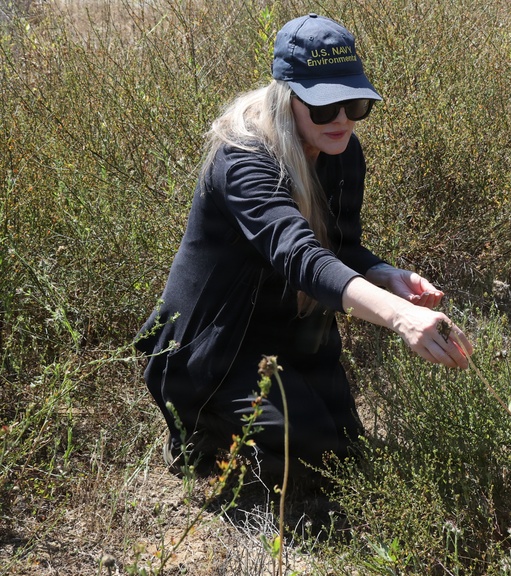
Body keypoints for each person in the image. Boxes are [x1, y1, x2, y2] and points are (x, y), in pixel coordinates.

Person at [135, 13, 472, 489]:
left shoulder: (340, 151)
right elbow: (300, 256)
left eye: (355, 104)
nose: (341, 120)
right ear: (286, 97)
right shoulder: (244, 159)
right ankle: (200, 430)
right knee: (313, 456)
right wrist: (400, 317)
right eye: (322, 107)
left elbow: (338, 246)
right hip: (212, 349)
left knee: (345, 452)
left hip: (283, 331)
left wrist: (383, 273)